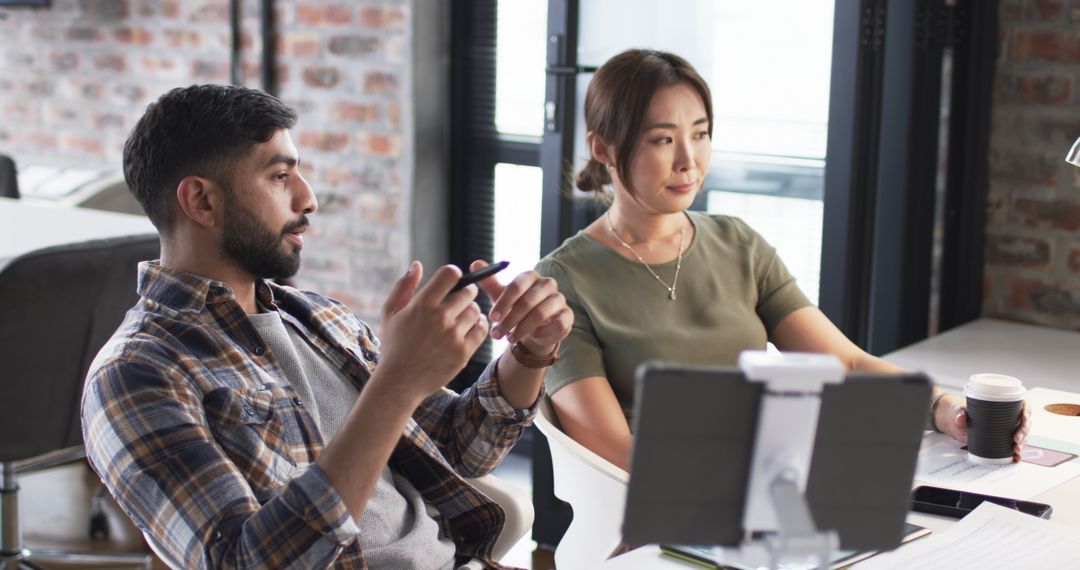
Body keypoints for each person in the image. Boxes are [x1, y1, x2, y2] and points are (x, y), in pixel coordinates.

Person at [81, 84, 572, 569]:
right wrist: (396, 383)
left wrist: (529, 352)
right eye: (279, 176)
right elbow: (247, 562)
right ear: (201, 201)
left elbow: (457, 450)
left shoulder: (319, 319)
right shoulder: (135, 375)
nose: (308, 198)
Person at [534, 48, 1028, 471]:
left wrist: (945, 407)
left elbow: (848, 361)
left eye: (701, 133)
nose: (689, 159)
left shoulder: (739, 244)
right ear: (603, 147)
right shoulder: (563, 283)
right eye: (663, 139)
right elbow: (617, 453)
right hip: (664, 514)